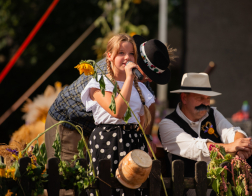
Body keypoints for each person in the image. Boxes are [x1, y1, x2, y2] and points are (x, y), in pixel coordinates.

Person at [45, 34, 175, 195]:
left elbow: (149, 106)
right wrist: (128, 78)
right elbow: (117, 111)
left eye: (152, 77)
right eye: (147, 74)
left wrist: (146, 137)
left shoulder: (138, 79)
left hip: (110, 132)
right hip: (70, 122)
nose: (148, 79)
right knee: (71, 182)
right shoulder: (101, 75)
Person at [81, 33, 158, 196]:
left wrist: (148, 140)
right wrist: (129, 78)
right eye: (121, 53)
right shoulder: (98, 83)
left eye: (131, 54)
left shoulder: (142, 89)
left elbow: (144, 121)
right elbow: (117, 111)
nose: (127, 57)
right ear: (109, 56)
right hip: (107, 141)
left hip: (134, 143)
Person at [158, 72, 252, 196]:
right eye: (200, 98)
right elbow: (196, 147)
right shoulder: (167, 124)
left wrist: (241, 146)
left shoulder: (212, 113)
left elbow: (233, 132)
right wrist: (231, 147)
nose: (206, 103)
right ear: (184, 98)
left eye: (208, 98)